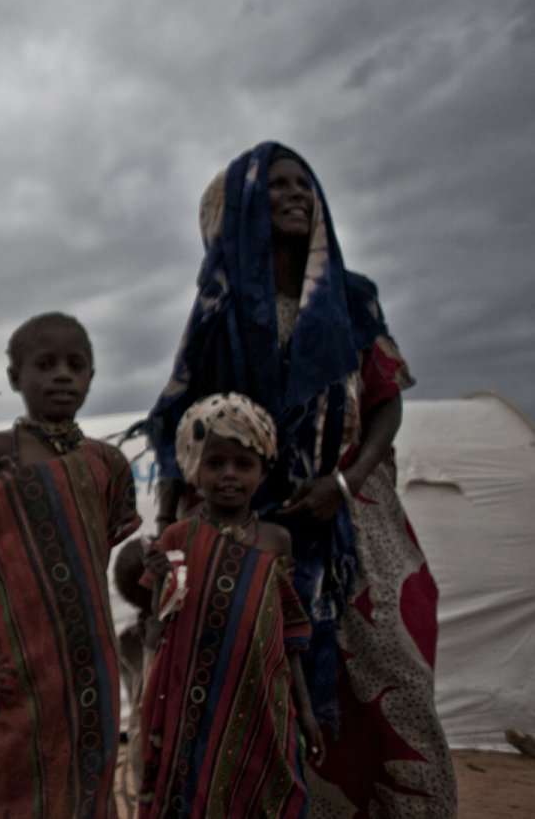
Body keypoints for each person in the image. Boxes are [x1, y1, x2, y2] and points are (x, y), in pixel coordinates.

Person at [146, 143, 455, 816]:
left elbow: (384, 396)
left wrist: (344, 485)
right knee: (253, 675)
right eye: (277, 184)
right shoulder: (217, 311)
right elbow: (183, 429)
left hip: (350, 515)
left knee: (391, 665)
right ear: (241, 209)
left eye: (304, 183)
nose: (297, 194)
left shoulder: (351, 298)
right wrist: (166, 536)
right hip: (245, 520)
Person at [0, 312, 141, 817]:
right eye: (45, 363)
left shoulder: (109, 464)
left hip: (89, 647)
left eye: (76, 365)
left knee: (90, 750)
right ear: (15, 377)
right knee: (17, 753)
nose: (62, 375)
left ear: (92, 378)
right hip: (15, 644)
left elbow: (106, 538)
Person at [138, 392, 322, 818]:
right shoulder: (176, 538)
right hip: (191, 707)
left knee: (263, 794)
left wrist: (306, 712)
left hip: (263, 704)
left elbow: (289, 634)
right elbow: (159, 624)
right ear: (192, 469)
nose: (229, 475)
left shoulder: (276, 541)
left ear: (263, 471)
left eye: (244, 464)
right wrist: (159, 578)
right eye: (215, 463)